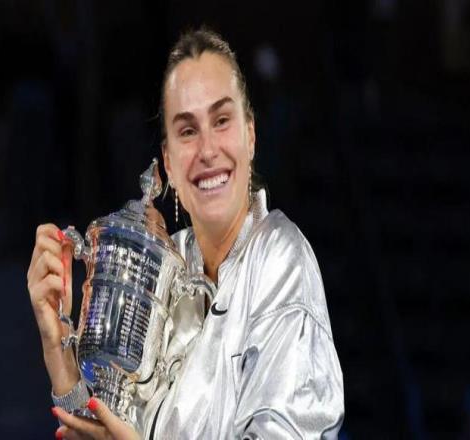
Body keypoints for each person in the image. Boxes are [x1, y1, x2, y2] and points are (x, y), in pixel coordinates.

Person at [27, 28, 344, 439]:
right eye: (188, 131)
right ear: (169, 164)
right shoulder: (163, 263)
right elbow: (105, 427)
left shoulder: (280, 257)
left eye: (222, 121)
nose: (207, 150)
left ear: (250, 136)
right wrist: (58, 352)